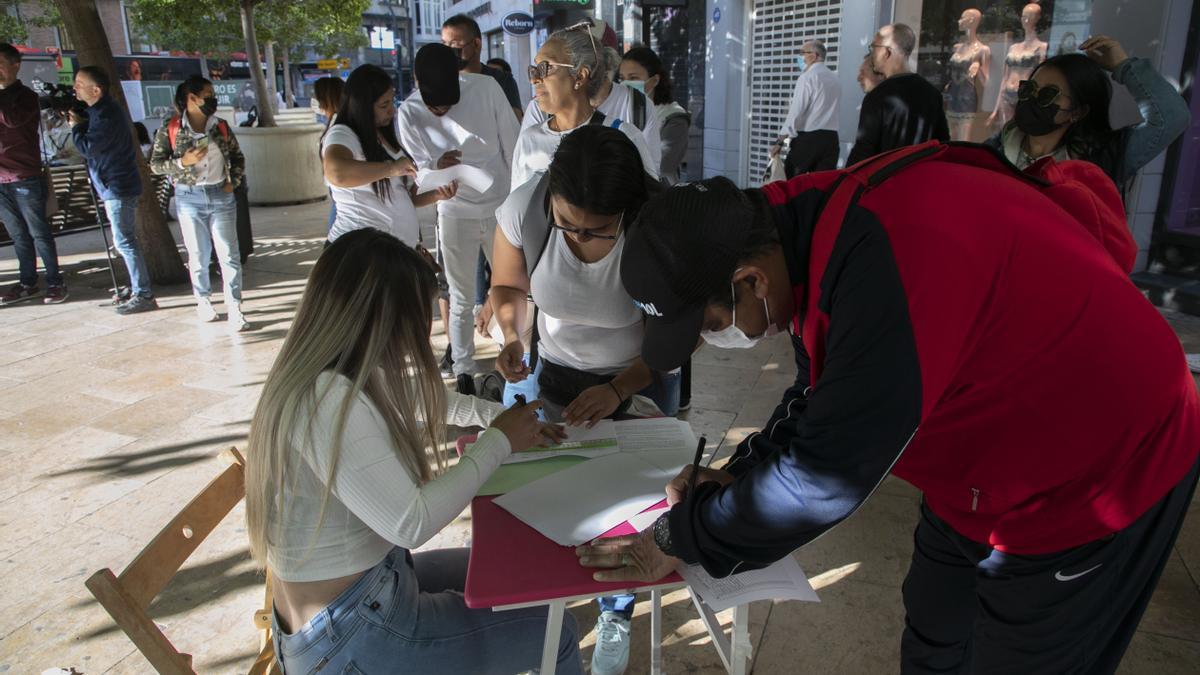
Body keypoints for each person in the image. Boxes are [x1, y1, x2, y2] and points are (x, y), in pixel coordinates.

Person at [574, 144, 1200, 673]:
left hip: (1102, 460)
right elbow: (820, 389)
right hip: (985, 458)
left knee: (1021, 653)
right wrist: (741, 472)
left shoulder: (890, 257)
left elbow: (826, 476)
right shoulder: (794, 229)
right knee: (934, 632)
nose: (716, 339)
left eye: (711, 323)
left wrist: (682, 535)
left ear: (751, 282)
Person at [244, 229, 581, 674]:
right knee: (557, 633)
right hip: (349, 633)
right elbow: (411, 521)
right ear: (380, 320)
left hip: (369, 592)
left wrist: (501, 420)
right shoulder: (325, 401)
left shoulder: (331, 372)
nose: (423, 336)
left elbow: (427, 401)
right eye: (416, 321)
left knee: (507, 568)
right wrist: (500, 441)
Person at [491, 125, 676, 675]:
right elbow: (508, 286)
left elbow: (674, 339)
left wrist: (620, 387)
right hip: (558, 379)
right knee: (566, 495)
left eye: (593, 231)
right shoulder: (527, 207)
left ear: (626, 213)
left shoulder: (658, 229)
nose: (573, 238)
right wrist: (512, 335)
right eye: (564, 223)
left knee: (627, 511)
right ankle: (563, 594)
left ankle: (616, 610)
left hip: (638, 381)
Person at [397, 44, 518, 393]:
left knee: (511, 288)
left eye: (448, 105)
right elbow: (418, 171)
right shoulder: (408, 113)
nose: (442, 111)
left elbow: (513, 147)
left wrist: (515, 203)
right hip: (453, 210)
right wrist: (436, 170)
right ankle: (463, 370)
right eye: (435, 107)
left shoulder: (486, 88)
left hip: (499, 206)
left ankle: (509, 356)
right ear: (418, 83)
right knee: (461, 295)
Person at [984, 36, 1190, 192]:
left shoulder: (1102, 159)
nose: (1031, 99)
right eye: (1028, 88)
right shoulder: (993, 151)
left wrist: (1123, 66)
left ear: (1077, 112)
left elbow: (1170, 117)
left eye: (1048, 94)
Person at [150, 75, 250, 331]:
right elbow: (156, 165)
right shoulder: (171, 129)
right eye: (208, 94)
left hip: (221, 195)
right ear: (192, 98)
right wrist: (183, 162)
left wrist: (233, 182)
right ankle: (203, 300)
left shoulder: (221, 127)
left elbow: (238, 158)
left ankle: (234, 306)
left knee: (229, 254)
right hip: (189, 197)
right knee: (198, 254)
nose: (212, 99)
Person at [323, 65, 455, 247]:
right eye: (384, 105)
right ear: (362, 105)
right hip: (359, 251)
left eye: (392, 102)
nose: (391, 111)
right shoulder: (343, 134)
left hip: (395, 251)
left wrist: (436, 194)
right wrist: (391, 168)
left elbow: (405, 196)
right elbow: (336, 173)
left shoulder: (385, 134)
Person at [511, 27, 658, 188]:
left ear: (580, 76)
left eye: (546, 67)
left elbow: (649, 204)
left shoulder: (625, 136)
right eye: (534, 69)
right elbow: (517, 206)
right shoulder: (529, 140)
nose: (535, 79)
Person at [70, 65, 157, 315]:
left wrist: (76, 126)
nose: (75, 87)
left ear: (95, 89)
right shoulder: (100, 112)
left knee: (125, 241)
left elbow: (88, 148)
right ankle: (137, 289)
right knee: (124, 240)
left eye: (79, 83)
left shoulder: (106, 115)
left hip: (117, 185)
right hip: (113, 184)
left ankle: (144, 294)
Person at [0, 43, 66, 306]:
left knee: (39, 232)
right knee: (17, 234)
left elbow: (12, 120)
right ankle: (28, 281)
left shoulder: (26, 96)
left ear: (16, 64)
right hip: (1, 179)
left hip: (25, 176)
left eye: (1, 63)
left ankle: (55, 282)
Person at [846, 24, 948, 166]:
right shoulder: (932, 93)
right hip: (921, 178)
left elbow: (863, 150)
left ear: (886, 52)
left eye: (873, 47)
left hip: (887, 182)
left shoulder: (877, 97)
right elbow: (943, 143)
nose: (872, 53)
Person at [620, 46, 692, 185]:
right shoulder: (623, 111)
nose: (625, 84)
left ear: (654, 80)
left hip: (659, 193)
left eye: (633, 78)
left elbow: (662, 164)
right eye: (622, 78)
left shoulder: (674, 117)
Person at [769, 39, 841, 176]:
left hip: (808, 140)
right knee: (822, 185)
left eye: (802, 53)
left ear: (814, 56)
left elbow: (796, 111)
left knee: (793, 185)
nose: (800, 57)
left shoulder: (807, 77)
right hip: (831, 140)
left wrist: (780, 141)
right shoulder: (835, 79)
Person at [442, 14, 523, 120]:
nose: (447, 50)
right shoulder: (441, 82)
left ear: (476, 44)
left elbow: (514, 123)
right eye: (444, 44)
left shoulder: (502, 80)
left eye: (454, 43)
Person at [987, 3, 1047, 130]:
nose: (1025, 20)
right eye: (1024, 16)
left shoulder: (1043, 47)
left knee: (1021, 132)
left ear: (1038, 18)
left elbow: (1041, 78)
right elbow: (1004, 78)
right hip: (1007, 95)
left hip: (1025, 96)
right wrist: (995, 108)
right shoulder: (1013, 47)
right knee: (1006, 133)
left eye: (1030, 16)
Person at [943, 9, 990, 142]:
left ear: (971, 21)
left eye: (962, 18)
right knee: (949, 138)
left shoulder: (983, 50)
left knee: (963, 141)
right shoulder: (957, 47)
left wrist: (978, 66)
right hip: (952, 95)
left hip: (967, 97)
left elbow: (987, 82)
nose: (959, 21)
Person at [311, 76, 344, 232]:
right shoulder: (335, 121)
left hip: (340, 191)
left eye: (317, 97)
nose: (316, 102)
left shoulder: (339, 124)